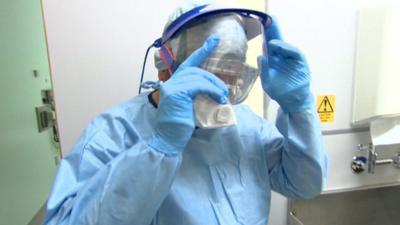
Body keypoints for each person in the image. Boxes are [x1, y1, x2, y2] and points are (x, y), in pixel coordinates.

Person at [43, 2, 327, 225]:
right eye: (210, 70)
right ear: (164, 64)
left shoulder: (247, 124)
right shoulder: (112, 133)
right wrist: (158, 150)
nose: (223, 87)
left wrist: (298, 107)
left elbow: (304, 184)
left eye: (233, 70)